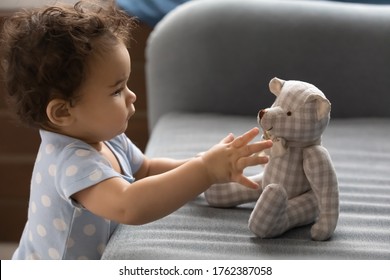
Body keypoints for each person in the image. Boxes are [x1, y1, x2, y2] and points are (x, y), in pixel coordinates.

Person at [0, 0, 272, 260]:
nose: (132, 97)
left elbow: (147, 170)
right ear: (63, 112)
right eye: (117, 90)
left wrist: (213, 166)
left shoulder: (106, 137)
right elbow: (129, 205)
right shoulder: (70, 161)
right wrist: (205, 170)